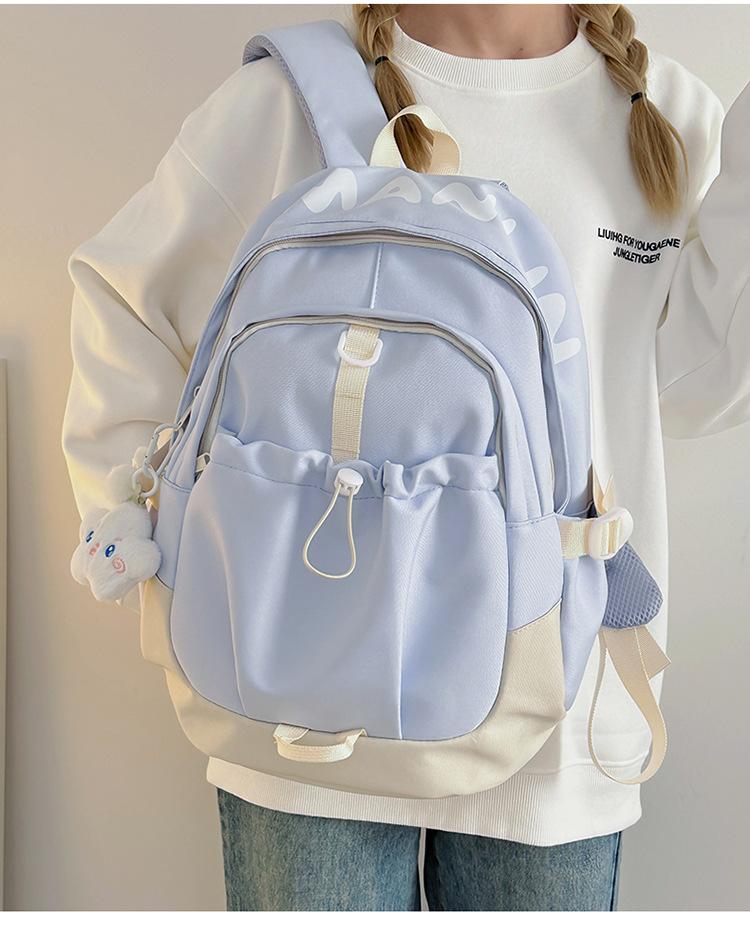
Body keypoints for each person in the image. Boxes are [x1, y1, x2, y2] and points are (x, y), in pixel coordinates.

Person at [62, 3, 750, 912]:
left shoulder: (661, 109)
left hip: (554, 712)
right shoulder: (288, 99)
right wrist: (134, 526)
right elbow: (124, 300)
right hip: (298, 718)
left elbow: (699, 387)